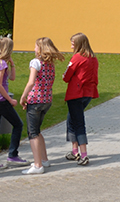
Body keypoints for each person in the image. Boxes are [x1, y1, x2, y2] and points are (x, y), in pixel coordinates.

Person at [19, 37, 65, 175]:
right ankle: (44, 159)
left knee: (32, 133)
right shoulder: (50, 64)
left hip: (35, 100)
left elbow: (31, 82)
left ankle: (38, 165)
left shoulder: (35, 62)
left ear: (40, 48)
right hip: (47, 100)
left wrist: (23, 96)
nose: (34, 49)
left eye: (35, 46)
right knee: (37, 131)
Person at [0, 37, 28, 170]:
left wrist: (12, 64)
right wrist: (10, 99)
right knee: (18, 125)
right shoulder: (2, 64)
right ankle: (13, 156)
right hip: (0, 100)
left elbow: (12, 78)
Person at [63, 33, 99, 166]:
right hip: (88, 94)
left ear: (79, 44)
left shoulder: (77, 57)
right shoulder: (93, 58)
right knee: (71, 119)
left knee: (78, 123)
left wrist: (64, 76)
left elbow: (67, 76)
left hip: (76, 94)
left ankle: (83, 154)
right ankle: (74, 151)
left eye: (73, 43)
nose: (71, 45)